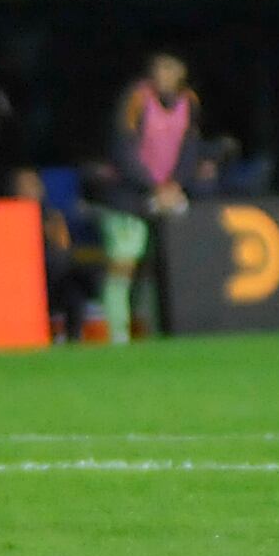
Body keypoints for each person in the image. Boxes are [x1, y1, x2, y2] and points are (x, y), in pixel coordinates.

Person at [93, 52, 205, 343]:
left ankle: (151, 332)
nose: (162, 73)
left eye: (169, 67)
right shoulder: (137, 99)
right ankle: (116, 334)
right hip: (127, 195)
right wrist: (153, 185)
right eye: (158, 67)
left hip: (166, 195)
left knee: (157, 269)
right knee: (123, 265)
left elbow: (190, 147)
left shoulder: (189, 102)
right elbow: (122, 149)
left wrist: (176, 184)